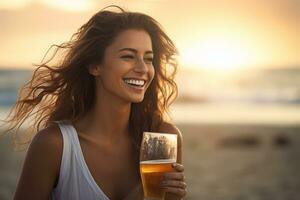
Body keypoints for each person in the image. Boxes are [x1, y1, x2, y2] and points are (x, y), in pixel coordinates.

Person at [4, 5, 187, 200]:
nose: (143, 68)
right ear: (95, 66)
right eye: (128, 56)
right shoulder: (55, 145)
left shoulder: (164, 137)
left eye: (149, 59)